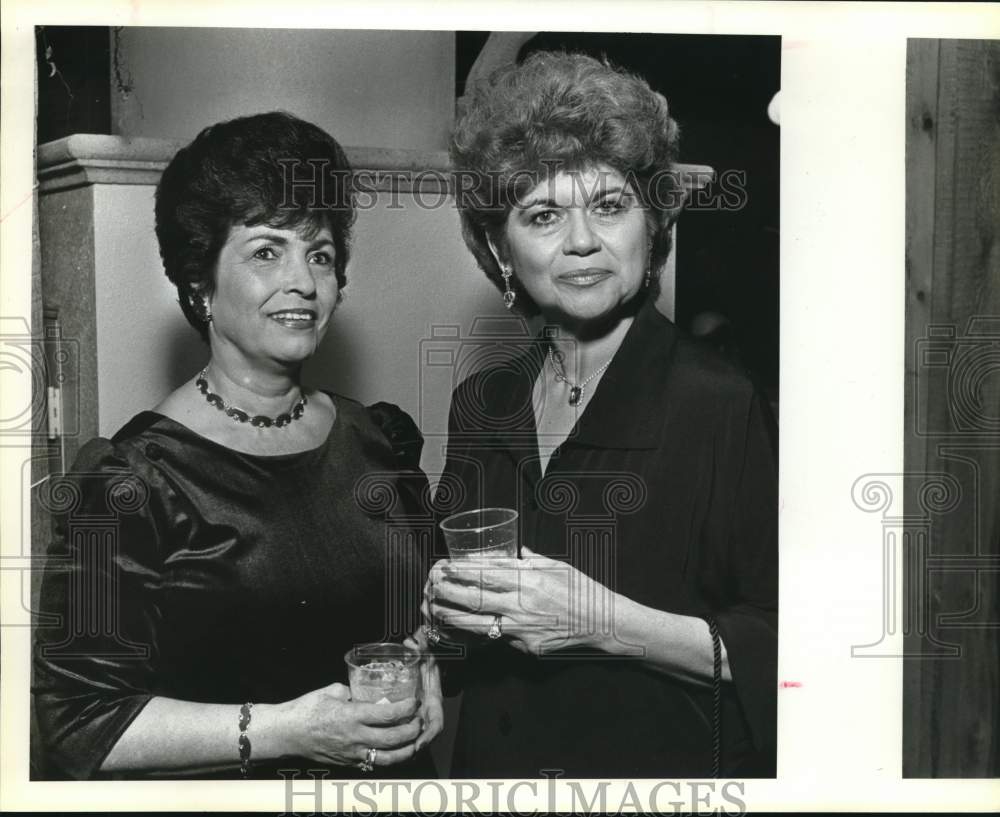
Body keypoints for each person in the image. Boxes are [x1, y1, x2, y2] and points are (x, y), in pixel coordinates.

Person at [33, 111, 442, 779]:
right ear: (201, 282)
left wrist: (426, 666)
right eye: (265, 251)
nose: (304, 282)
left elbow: (426, 609)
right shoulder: (132, 481)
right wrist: (289, 729)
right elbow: (79, 725)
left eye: (321, 254)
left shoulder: (378, 439)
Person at [426, 52, 777, 778]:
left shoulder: (718, 401)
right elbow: (462, 636)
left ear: (652, 225)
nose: (581, 240)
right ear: (498, 248)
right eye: (544, 214)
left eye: (610, 206)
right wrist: (433, 621)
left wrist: (602, 623)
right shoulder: (482, 404)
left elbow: (780, 648)